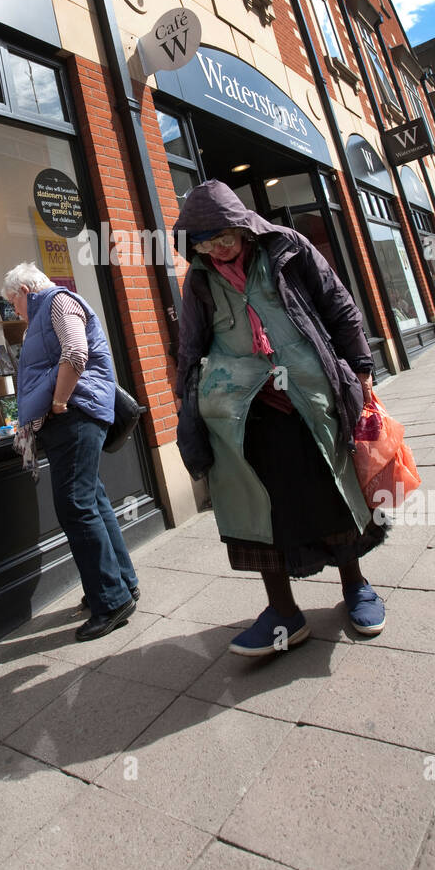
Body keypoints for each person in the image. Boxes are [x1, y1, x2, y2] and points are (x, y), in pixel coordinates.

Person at [174, 180, 387, 657]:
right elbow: (190, 347)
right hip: (247, 412)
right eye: (205, 244)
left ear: (244, 226)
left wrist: (362, 366)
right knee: (260, 503)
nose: (217, 250)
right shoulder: (200, 279)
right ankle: (283, 612)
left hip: (311, 396)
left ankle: (356, 585)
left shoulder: (287, 247)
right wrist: (190, 406)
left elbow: (338, 303)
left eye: (224, 237)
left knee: (333, 488)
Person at [2, 263, 139, 642]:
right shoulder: (44, 310)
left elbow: (76, 353)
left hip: (75, 415)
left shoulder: (58, 302)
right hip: (71, 417)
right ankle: (121, 585)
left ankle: (111, 601)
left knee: (75, 505)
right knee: (91, 499)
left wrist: (60, 401)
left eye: (13, 303)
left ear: (26, 290)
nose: (14, 311)